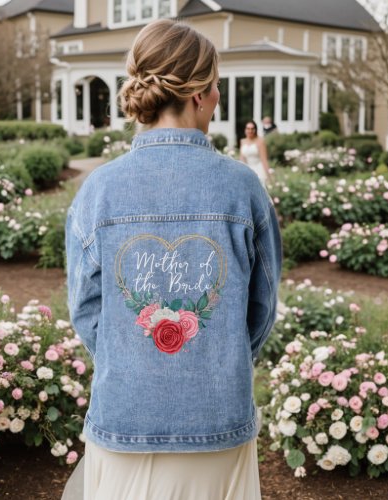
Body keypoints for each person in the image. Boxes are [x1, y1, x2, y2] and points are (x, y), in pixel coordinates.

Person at [64, 19, 281, 500]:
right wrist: (218, 358)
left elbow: (86, 310)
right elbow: (262, 309)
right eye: (218, 85)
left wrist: (133, 360)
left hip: (125, 414)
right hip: (216, 416)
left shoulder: (98, 189)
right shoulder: (242, 187)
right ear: (201, 94)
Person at [239, 120, 272, 185]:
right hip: (247, 170)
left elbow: (264, 160)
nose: (250, 131)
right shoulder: (242, 141)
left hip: (259, 171)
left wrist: (269, 177)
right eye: (248, 128)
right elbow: (242, 159)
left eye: (252, 129)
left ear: (255, 130)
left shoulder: (260, 141)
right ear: (245, 130)